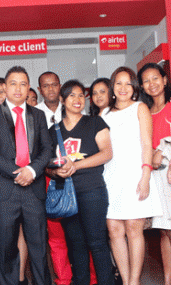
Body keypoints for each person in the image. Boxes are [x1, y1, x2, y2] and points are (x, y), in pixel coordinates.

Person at [0, 66, 52, 285]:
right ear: (4, 87)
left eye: (23, 84)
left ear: (29, 87)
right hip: (5, 191)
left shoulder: (38, 115)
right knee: (7, 249)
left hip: (34, 190)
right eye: (13, 83)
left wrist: (31, 170)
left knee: (39, 248)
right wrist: (18, 172)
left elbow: (47, 150)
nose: (18, 88)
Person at [48, 79, 114, 285]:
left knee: (97, 243)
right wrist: (58, 172)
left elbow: (106, 154)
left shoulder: (95, 122)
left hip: (92, 191)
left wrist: (76, 166)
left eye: (80, 95)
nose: (77, 100)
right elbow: (47, 166)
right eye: (71, 96)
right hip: (67, 195)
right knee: (76, 245)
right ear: (62, 100)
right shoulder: (53, 131)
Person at [102, 66, 162, 285]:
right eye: (118, 83)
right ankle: (125, 280)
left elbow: (147, 143)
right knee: (114, 230)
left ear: (135, 87)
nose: (123, 87)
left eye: (128, 83)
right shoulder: (104, 113)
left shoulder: (140, 108)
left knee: (133, 229)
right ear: (112, 87)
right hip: (110, 178)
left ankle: (134, 281)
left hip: (135, 176)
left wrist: (145, 175)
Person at [37, 71, 97, 285]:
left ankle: (90, 277)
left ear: (60, 88)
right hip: (50, 180)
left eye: (54, 84)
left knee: (85, 232)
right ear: (39, 90)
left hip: (81, 180)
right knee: (57, 235)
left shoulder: (79, 113)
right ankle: (64, 278)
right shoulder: (34, 114)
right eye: (46, 85)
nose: (50, 88)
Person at [0, 77, 28, 285]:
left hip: (21, 183)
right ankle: (0, 277)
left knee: (18, 231)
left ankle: (19, 278)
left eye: (1, 91)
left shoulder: (22, 118)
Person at [138, 62, 171, 284]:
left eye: (155, 78)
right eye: (146, 80)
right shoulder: (145, 113)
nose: (152, 84)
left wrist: (164, 150)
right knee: (165, 231)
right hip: (158, 179)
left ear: (165, 80)